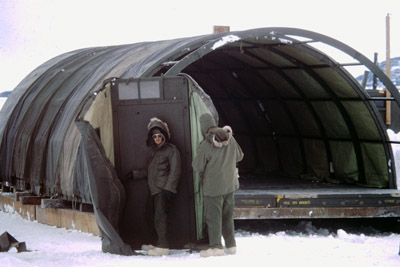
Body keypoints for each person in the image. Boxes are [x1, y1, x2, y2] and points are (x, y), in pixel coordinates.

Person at [192, 113, 244, 257]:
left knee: (214, 217)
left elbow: (197, 166)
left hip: (213, 188)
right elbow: (240, 156)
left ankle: (216, 247)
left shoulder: (206, 144)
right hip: (230, 185)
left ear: (203, 127)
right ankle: (231, 245)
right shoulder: (230, 138)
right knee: (227, 217)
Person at [130, 117, 181, 256]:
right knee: (148, 216)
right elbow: (150, 171)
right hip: (152, 189)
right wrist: (135, 175)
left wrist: (168, 189)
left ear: (164, 136)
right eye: (155, 136)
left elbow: (175, 171)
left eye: (159, 136)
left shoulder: (171, 150)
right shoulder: (152, 151)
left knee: (160, 217)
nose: (157, 139)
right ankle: (155, 242)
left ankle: (163, 245)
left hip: (162, 189)